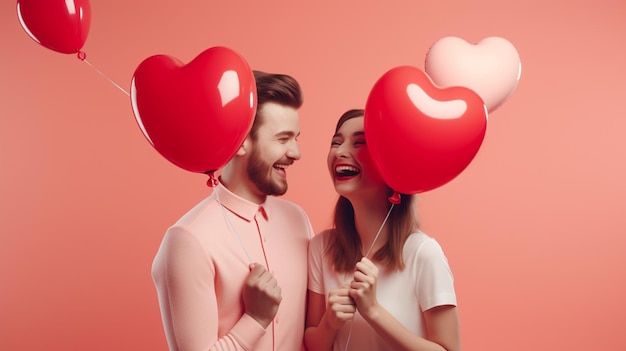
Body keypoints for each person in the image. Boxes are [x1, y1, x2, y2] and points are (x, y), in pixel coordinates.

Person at [152, 70, 314, 351]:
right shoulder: (188, 240)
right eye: (283, 138)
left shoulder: (298, 220)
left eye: (296, 138)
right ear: (240, 141)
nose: (296, 153)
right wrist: (255, 319)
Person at [304, 109, 460, 351]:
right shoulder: (321, 247)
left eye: (359, 143)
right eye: (336, 142)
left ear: (389, 162)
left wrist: (373, 311)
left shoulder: (423, 253)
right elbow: (313, 344)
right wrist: (329, 323)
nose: (340, 152)